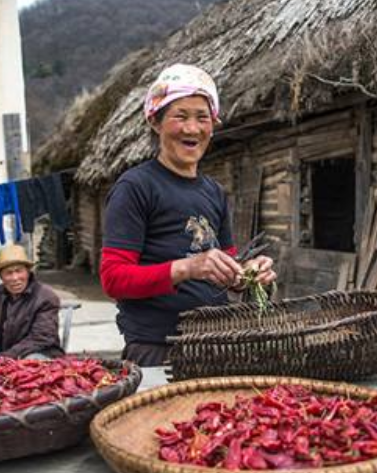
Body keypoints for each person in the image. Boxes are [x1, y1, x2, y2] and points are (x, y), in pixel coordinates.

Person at [100, 63, 277, 367]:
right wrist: (188, 268)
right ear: (155, 122)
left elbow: (228, 272)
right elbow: (113, 278)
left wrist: (248, 274)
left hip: (217, 343)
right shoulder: (136, 186)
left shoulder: (215, 192)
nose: (192, 128)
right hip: (158, 349)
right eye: (180, 116)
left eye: (202, 117)